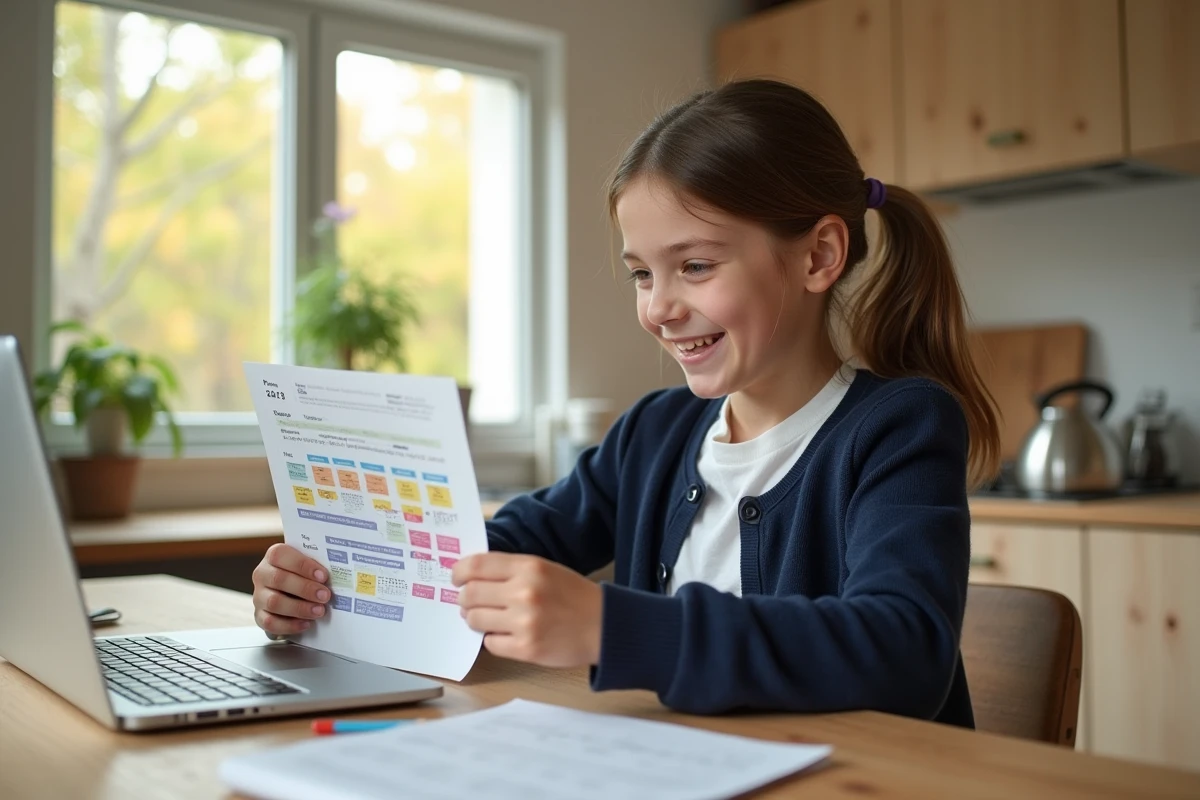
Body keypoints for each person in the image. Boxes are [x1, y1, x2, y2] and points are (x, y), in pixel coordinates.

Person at [251, 78, 1000, 727]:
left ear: (819, 255)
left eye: (696, 266)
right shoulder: (656, 432)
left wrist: (615, 628)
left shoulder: (900, 428)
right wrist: (328, 585)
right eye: (643, 274)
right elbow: (491, 556)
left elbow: (904, 651)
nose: (660, 309)